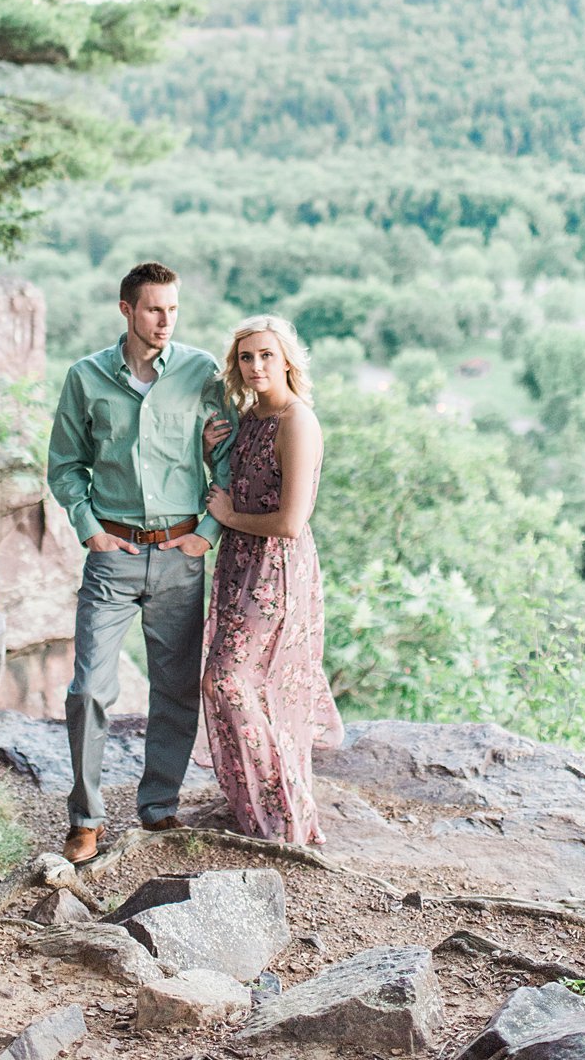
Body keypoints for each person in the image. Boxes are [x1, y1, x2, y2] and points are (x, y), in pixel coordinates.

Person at [47, 260, 234, 864]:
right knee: (89, 690)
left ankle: (159, 808)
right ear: (126, 309)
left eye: (173, 309)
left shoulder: (201, 371)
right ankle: (86, 818)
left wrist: (206, 531)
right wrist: (91, 531)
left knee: (175, 690)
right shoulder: (86, 377)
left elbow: (225, 457)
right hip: (114, 557)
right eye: (154, 309)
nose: (165, 321)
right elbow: (66, 464)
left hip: (181, 556)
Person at [202, 314, 343, 845]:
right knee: (245, 685)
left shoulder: (295, 420)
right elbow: (231, 483)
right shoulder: (248, 417)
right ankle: (253, 805)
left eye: (266, 355)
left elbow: (290, 521)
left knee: (228, 680)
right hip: (239, 561)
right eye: (246, 357)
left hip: (274, 569)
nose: (256, 365)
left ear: (286, 358)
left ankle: (285, 816)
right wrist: (207, 451)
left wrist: (231, 516)